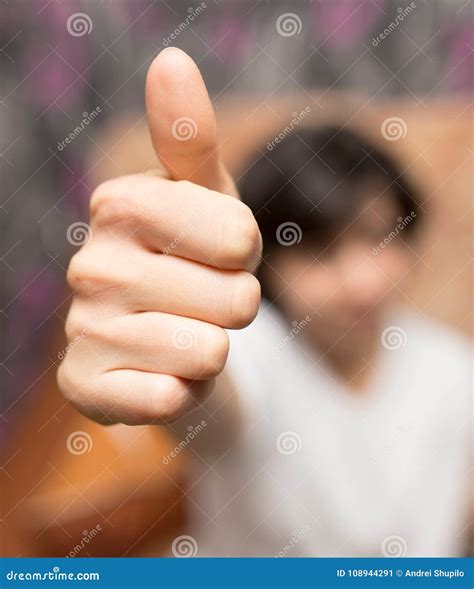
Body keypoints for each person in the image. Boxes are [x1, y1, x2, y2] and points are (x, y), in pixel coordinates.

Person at [58, 48, 472, 557]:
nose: (362, 281)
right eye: (319, 251)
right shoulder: (248, 349)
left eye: (379, 236)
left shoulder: (452, 366)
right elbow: (210, 397)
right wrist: (166, 340)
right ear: (264, 259)